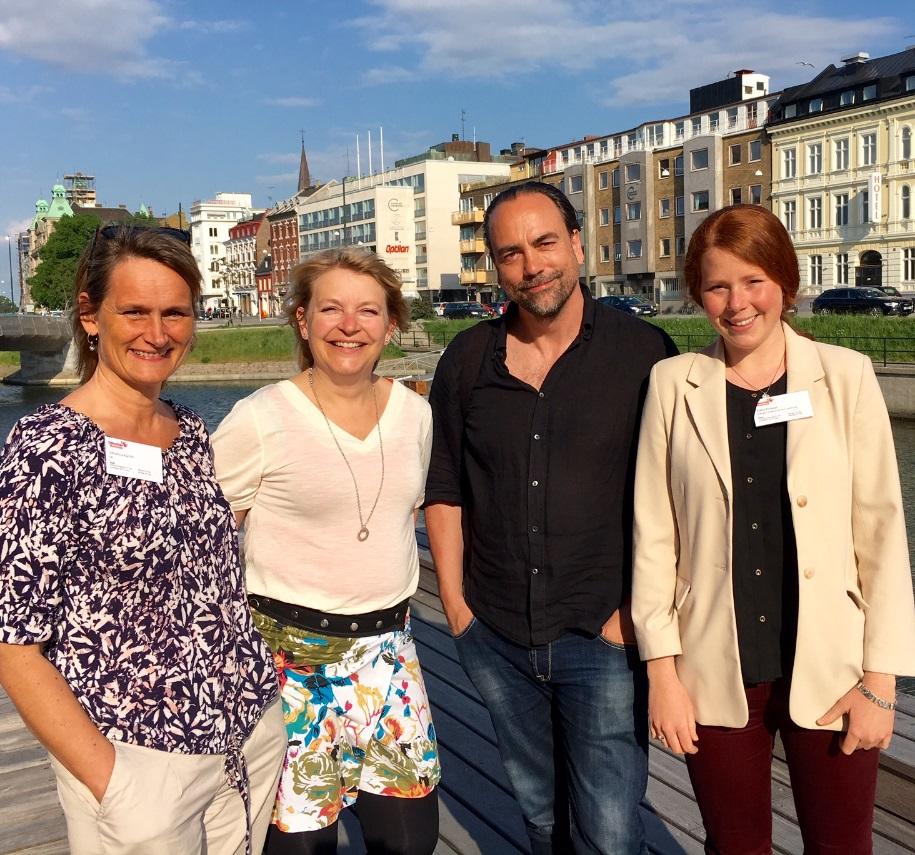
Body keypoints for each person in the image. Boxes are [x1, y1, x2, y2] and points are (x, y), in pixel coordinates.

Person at [631, 204, 915, 853]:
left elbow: (880, 529)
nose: (736, 302)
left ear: (784, 282)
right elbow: (653, 535)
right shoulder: (672, 384)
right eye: (716, 285)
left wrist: (881, 680)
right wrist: (662, 674)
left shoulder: (843, 376)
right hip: (712, 665)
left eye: (752, 279)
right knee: (733, 845)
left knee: (841, 844)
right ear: (697, 294)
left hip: (835, 664)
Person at [0, 224, 285, 855]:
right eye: (134, 311)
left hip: (247, 735)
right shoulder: (46, 449)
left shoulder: (188, 433)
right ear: (90, 315)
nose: (157, 333)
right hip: (138, 759)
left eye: (175, 313)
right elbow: (14, 645)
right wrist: (117, 785)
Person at [424, 181, 678, 854]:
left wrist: (634, 614)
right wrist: (455, 607)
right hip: (497, 631)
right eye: (510, 252)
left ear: (574, 244)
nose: (531, 265)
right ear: (496, 266)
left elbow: (679, 500)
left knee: (610, 829)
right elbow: (444, 485)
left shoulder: (643, 353)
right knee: (540, 817)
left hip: (603, 634)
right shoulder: (468, 359)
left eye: (543, 243)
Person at [212, 248, 440, 855]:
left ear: (391, 325)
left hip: (390, 660)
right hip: (290, 667)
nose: (349, 325)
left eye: (368, 311)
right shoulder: (260, 418)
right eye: (331, 308)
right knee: (302, 847)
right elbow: (204, 546)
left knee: (411, 841)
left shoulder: (416, 415)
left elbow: (408, 514)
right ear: (302, 320)